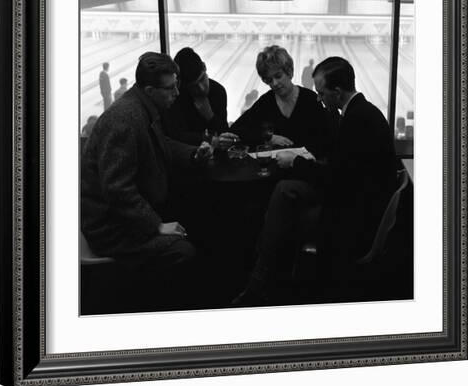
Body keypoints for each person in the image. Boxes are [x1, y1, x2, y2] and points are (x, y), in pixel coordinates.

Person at [233, 57, 398, 305]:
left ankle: (264, 280)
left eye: (321, 93)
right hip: (356, 198)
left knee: (283, 202)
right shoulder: (359, 112)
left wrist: (296, 163)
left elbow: (337, 181)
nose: (319, 99)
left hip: (355, 213)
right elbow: (342, 169)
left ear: (338, 92)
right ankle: (273, 272)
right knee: (283, 192)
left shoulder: (357, 120)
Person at [81, 52, 212, 284]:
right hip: (112, 229)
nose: (177, 93)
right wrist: (156, 226)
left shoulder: (142, 106)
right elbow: (118, 189)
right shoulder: (125, 119)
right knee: (183, 251)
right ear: (151, 91)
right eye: (170, 88)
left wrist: (192, 154)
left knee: (199, 213)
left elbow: (160, 143)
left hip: (128, 214)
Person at [230, 46, 336, 158]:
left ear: (289, 72)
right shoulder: (266, 102)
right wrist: (269, 137)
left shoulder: (310, 99)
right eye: (269, 80)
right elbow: (237, 129)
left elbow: (324, 141)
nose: (274, 83)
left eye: (278, 76)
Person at [162, 47, 234, 147]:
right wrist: (209, 140)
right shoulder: (177, 96)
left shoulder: (218, 91)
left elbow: (224, 133)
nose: (201, 88)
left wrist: (210, 116)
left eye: (202, 79)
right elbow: (176, 135)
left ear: (204, 67)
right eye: (194, 86)